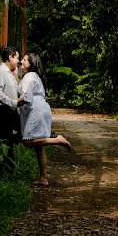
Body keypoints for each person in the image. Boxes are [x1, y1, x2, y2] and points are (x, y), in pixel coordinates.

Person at [19, 52, 71, 186]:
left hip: (35, 110)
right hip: (41, 108)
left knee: (28, 142)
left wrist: (12, 102)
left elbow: (26, 98)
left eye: (24, 60)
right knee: (39, 147)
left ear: (31, 64)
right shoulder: (34, 76)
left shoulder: (29, 76)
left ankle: (58, 140)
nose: (21, 61)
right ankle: (44, 178)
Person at [0, 46, 25, 165]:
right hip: (3, 110)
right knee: (8, 139)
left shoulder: (9, 72)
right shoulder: (1, 71)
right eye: (17, 58)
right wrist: (13, 102)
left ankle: (3, 144)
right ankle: (8, 167)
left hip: (11, 109)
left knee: (23, 133)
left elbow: (14, 89)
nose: (19, 61)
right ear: (10, 57)